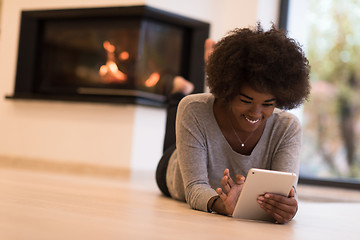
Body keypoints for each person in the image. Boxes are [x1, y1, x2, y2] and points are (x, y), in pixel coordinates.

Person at [156, 23, 311, 224]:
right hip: (173, 172)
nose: (256, 112)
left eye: (268, 104)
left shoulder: (287, 127)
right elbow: (194, 188)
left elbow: (287, 192)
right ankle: (178, 92)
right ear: (228, 90)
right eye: (246, 100)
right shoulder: (194, 109)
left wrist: (288, 207)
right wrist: (223, 205)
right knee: (183, 109)